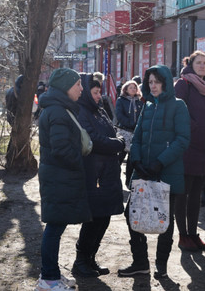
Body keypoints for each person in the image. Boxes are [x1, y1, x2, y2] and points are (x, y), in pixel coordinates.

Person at [119, 65, 190, 279]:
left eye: (157, 82)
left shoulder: (179, 106)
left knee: (164, 220)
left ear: (166, 83)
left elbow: (182, 140)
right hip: (143, 171)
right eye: (150, 82)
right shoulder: (147, 106)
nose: (153, 86)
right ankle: (140, 262)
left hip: (167, 172)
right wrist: (137, 161)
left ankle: (161, 265)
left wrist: (160, 162)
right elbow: (138, 137)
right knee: (131, 214)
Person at [36, 68, 92, 291]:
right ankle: (48, 279)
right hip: (59, 176)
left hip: (59, 175)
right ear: (66, 87)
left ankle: (52, 275)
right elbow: (61, 149)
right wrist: (80, 162)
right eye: (78, 84)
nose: (81, 88)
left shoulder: (58, 109)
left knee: (55, 227)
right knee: (54, 228)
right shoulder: (58, 111)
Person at [71, 75, 125, 278]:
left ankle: (91, 258)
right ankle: (80, 261)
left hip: (107, 173)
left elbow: (111, 131)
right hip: (95, 175)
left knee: (104, 218)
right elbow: (94, 140)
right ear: (86, 93)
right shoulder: (82, 111)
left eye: (99, 92)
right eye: (94, 92)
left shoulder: (98, 110)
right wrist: (118, 143)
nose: (98, 95)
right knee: (94, 219)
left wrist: (115, 140)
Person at [173, 51, 205, 252]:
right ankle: (183, 236)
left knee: (196, 194)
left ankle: (193, 234)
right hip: (188, 146)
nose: (202, 66)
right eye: (198, 62)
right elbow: (177, 111)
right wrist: (196, 127)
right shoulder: (184, 84)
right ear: (190, 64)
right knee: (183, 193)